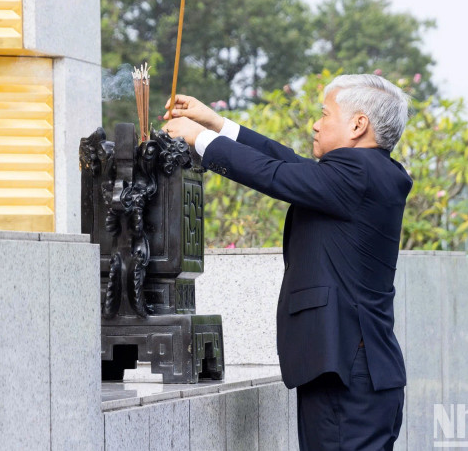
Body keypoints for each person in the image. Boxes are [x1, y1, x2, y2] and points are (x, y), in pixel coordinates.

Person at [163, 74, 412, 450]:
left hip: (347, 376)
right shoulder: (367, 173)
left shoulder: (359, 173)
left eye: (325, 113)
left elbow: (276, 175)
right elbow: (288, 164)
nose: (316, 123)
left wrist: (197, 138)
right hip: (354, 373)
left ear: (358, 125)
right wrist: (216, 124)